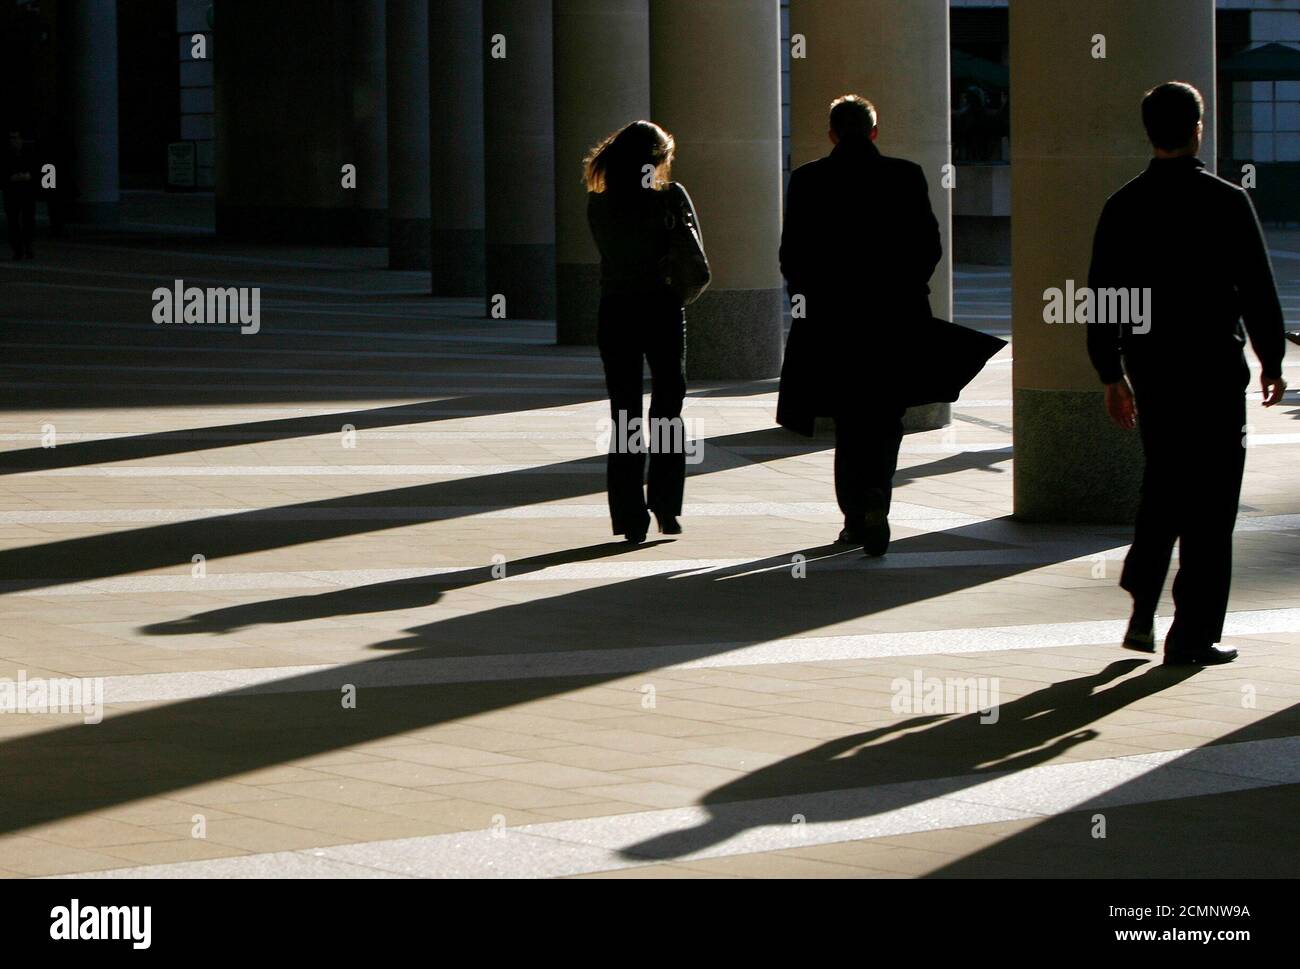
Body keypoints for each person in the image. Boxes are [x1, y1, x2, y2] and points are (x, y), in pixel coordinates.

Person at [1087, 81, 1288, 666]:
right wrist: (1271, 358)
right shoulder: (1225, 201)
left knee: (1166, 476)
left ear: (1149, 131)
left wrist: (1110, 373)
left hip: (1153, 367)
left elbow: (1106, 297)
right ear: (1199, 127)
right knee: (1213, 499)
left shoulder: (1124, 205)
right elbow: (1256, 286)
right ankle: (1193, 632)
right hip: (1212, 368)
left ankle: (1143, 591)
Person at [777, 94, 942, 556]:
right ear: (874, 131)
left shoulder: (808, 179)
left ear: (831, 133)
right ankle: (877, 499)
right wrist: (906, 291)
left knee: (848, 420)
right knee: (886, 416)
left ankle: (854, 515)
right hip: (893, 318)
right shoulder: (905, 175)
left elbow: (793, 254)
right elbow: (928, 246)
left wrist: (807, 305)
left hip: (834, 322)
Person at [585, 121, 698, 543]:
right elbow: (695, 260)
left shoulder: (599, 203)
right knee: (669, 408)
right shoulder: (670, 197)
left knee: (625, 413)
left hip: (616, 310)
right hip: (662, 309)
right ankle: (667, 506)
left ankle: (630, 516)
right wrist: (675, 294)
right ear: (657, 157)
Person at [3, 129, 37, 260]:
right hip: (12, 192)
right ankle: (18, 249)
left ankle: (27, 246)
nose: (14, 141)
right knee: (14, 222)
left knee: (27, 221)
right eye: (12, 138)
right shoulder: (6, 155)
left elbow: (37, 169)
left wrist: (29, 176)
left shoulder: (29, 153)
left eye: (16, 138)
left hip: (26, 192)